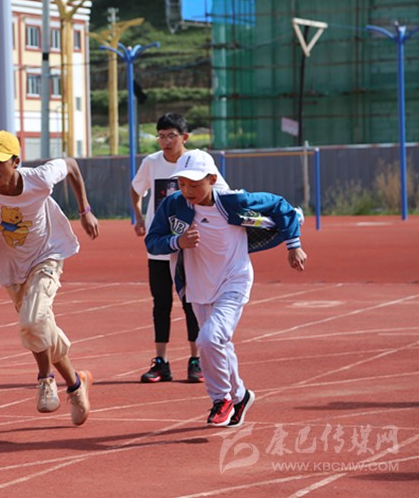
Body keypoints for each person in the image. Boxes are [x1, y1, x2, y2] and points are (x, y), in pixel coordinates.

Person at [145, 149, 307, 427]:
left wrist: (294, 245)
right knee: (218, 344)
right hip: (197, 286)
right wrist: (176, 242)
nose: (187, 191)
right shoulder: (173, 204)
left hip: (234, 280)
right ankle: (240, 396)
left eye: (194, 184)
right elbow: (152, 241)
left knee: (208, 339)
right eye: (182, 183)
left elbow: (280, 205)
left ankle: (222, 399)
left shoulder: (233, 202)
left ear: (212, 179)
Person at [0, 131, 99, 426]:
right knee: (41, 327)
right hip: (9, 266)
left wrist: (84, 210)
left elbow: (72, 165)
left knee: (33, 321)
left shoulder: (40, 179)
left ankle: (45, 379)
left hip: (47, 254)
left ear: (16, 161)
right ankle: (76, 384)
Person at [131, 113, 228, 384]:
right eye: (161, 136)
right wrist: (139, 217)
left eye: (171, 136)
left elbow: (223, 193)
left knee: (191, 302)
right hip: (161, 244)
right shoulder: (151, 163)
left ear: (184, 137)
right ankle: (161, 362)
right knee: (161, 303)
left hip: (192, 245)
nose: (166, 141)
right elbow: (136, 189)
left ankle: (196, 360)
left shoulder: (198, 162)